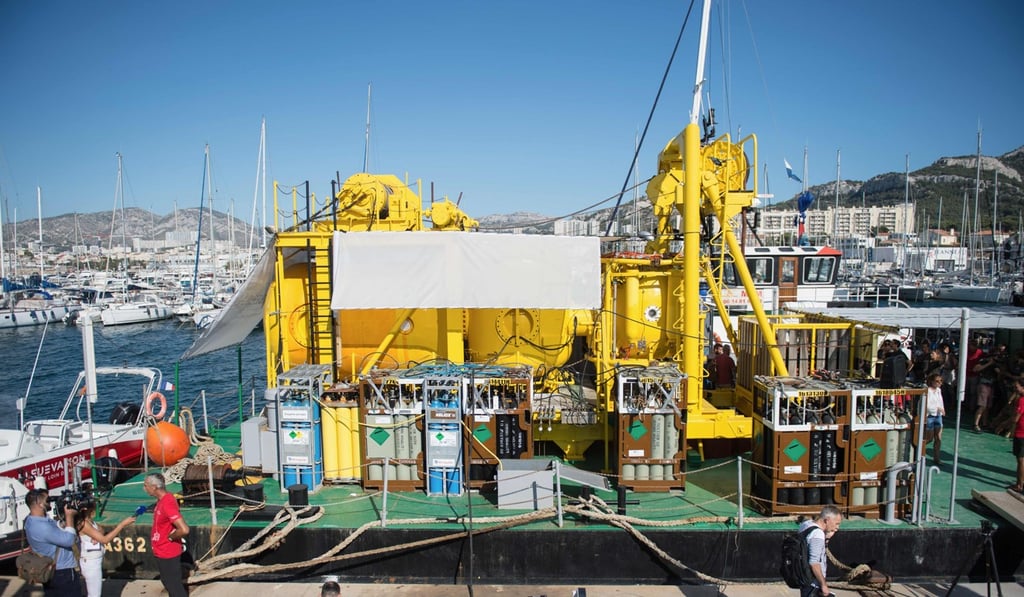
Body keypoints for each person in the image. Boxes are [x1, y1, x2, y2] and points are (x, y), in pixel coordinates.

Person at [23, 488, 81, 596]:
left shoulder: (30, 520)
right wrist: (69, 517)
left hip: (48, 570)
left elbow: (53, 527)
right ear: (40, 504)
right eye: (47, 500)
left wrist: (64, 523)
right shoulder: (42, 527)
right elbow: (69, 540)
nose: (50, 502)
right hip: (62, 572)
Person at [75, 502, 137, 597]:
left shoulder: (90, 521)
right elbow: (105, 540)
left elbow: (101, 530)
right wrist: (121, 525)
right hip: (91, 563)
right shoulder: (84, 523)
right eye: (93, 508)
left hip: (95, 561)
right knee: (94, 594)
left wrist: (95, 535)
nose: (95, 510)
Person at [144, 473, 190, 597]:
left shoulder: (167, 503)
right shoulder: (162, 501)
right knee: (167, 582)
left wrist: (170, 537)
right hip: (161, 550)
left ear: (154, 487)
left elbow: (184, 529)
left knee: (174, 586)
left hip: (168, 552)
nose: (144, 488)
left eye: (146, 485)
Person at [799, 504, 842, 597]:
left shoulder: (806, 525)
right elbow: (814, 563)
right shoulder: (818, 534)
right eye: (836, 523)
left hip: (803, 578)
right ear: (827, 520)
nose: (837, 527)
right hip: (813, 584)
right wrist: (823, 585)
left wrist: (826, 539)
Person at [923, 373, 946, 465]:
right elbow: (927, 406)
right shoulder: (927, 391)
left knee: (938, 438)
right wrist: (938, 408)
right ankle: (918, 453)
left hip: (938, 416)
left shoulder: (938, 391)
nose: (939, 383)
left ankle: (937, 458)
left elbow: (940, 402)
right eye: (937, 381)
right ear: (932, 381)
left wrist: (942, 409)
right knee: (929, 438)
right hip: (930, 416)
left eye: (941, 381)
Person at [1012, 383, 1024, 494]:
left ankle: (1019, 484)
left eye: (1017, 387)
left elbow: (1016, 417)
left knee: (1020, 460)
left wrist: (1010, 429)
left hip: (1021, 434)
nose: (1015, 389)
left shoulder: (1021, 400)